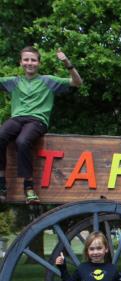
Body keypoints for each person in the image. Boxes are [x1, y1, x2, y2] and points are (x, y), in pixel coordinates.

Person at [0, 47, 83, 204]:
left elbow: (77, 82)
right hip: (17, 118)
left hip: (36, 120)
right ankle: (1, 184)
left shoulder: (48, 81)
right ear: (21, 62)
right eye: (26, 60)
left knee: (22, 142)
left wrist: (67, 62)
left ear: (38, 63)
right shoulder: (14, 82)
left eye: (33, 60)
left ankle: (29, 187)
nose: (29, 63)